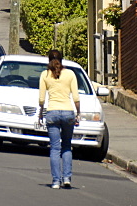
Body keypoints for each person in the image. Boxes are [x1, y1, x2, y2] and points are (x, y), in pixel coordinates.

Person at [38, 48, 80, 189]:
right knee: (67, 146)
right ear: (62, 60)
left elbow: (42, 99)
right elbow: (75, 97)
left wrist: (40, 113)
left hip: (52, 112)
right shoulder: (70, 74)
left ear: (49, 60)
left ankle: (56, 181)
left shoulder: (45, 75)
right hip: (68, 112)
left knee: (55, 148)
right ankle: (67, 178)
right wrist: (78, 112)